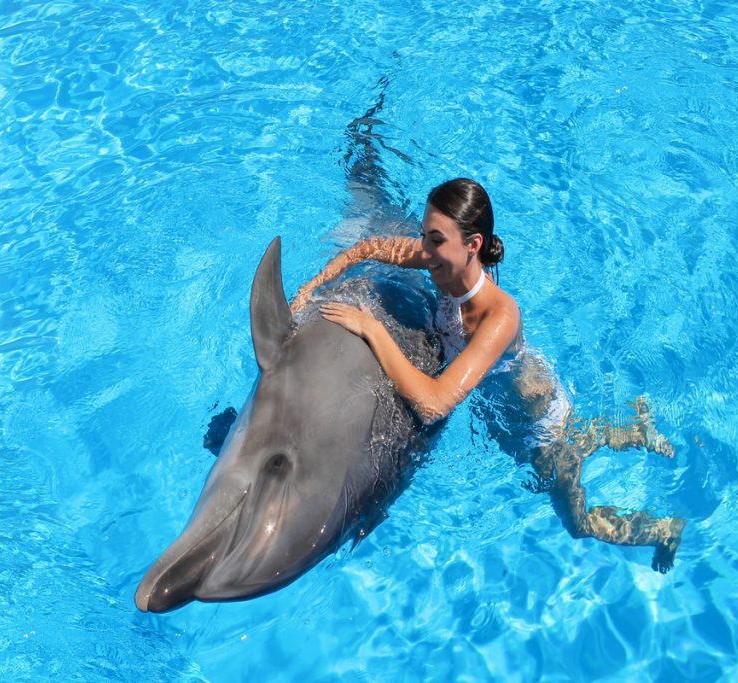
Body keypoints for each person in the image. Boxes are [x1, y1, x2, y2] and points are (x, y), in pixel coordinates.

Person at [291, 177, 685, 572]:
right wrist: (311, 289)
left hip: (537, 426)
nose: (424, 249)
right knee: (578, 442)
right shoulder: (442, 262)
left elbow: (433, 405)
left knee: (577, 523)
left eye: (436, 239)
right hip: (500, 408)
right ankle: (636, 430)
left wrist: (372, 329)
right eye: (424, 236)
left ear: (472, 244)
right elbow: (371, 248)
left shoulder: (500, 317)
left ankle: (664, 529)